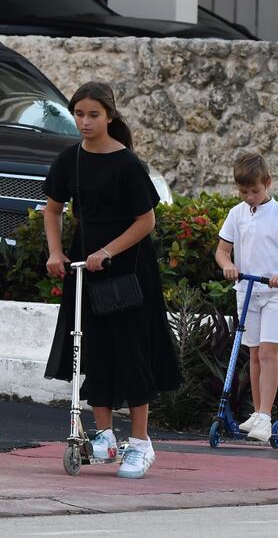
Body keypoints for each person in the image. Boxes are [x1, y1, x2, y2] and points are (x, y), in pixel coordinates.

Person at [43, 81, 181, 478]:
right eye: (79, 114)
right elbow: (53, 210)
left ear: (110, 117)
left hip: (127, 272)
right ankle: (104, 436)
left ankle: (140, 443)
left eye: (93, 114)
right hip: (85, 271)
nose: (85, 122)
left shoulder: (128, 165)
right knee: (93, 350)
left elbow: (146, 221)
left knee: (131, 353)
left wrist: (108, 252)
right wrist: (56, 252)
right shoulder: (69, 160)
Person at [215, 152, 278, 442]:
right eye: (244, 192)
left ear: (267, 183)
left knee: (269, 352)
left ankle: (265, 416)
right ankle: (256, 412)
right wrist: (228, 266)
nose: (249, 197)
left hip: (275, 293)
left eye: (254, 191)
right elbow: (222, 250)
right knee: (254, 353)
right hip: (247, 290)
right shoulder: (237, 214)